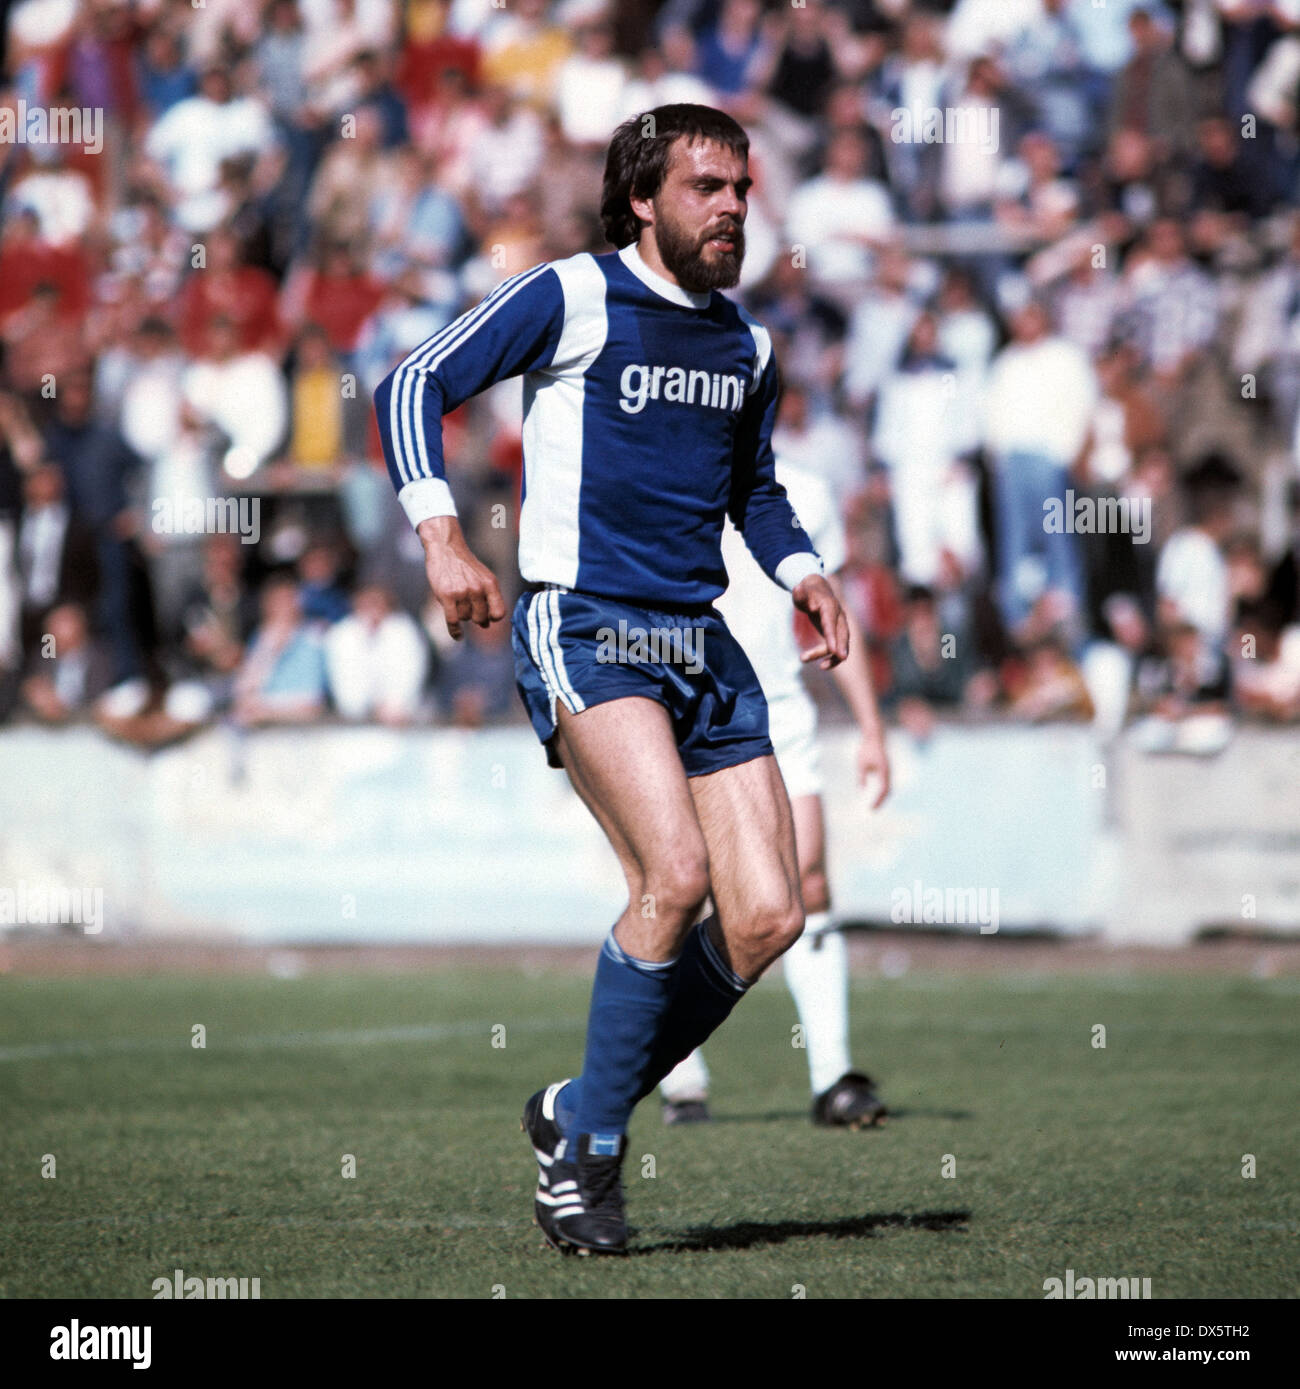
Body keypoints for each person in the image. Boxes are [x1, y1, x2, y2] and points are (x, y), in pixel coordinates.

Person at [374, 104, 853, 1256]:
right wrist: (440, 533)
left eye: (740, 187)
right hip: (587, 625)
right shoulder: (570, 295)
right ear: (643, 197)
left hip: (703, 638)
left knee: (771, 916)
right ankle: (588, 1163)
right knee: (673, 876)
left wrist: (804, 571)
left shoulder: (749, 346)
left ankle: (574, 1109)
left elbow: (757, 490)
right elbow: (412, 382)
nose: (733, 206)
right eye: (706, 186)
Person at [658, 414, 892, 1128]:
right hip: (691, 703)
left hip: (782, 708)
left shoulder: (805, 490)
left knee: (811, 878)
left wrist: (871, 728)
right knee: (684, 885)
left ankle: (833, 1078)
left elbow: (831, 614)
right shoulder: (669, 468)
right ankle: (680, 1072)